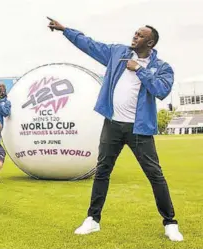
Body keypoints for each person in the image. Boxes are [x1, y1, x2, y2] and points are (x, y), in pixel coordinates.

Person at [47, 17, 183, 241]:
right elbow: (89, 44)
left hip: (139, 130)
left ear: (150, 44)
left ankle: (170, 222)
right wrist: (65, 30)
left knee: (155, 175)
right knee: (102, 171)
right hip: (112, 125)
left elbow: (161, 90)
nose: (135, 36)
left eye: (140, 35)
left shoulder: (162, 67)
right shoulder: (117, 53)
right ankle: (93, 220)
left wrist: (139, 69)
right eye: (135, 33)